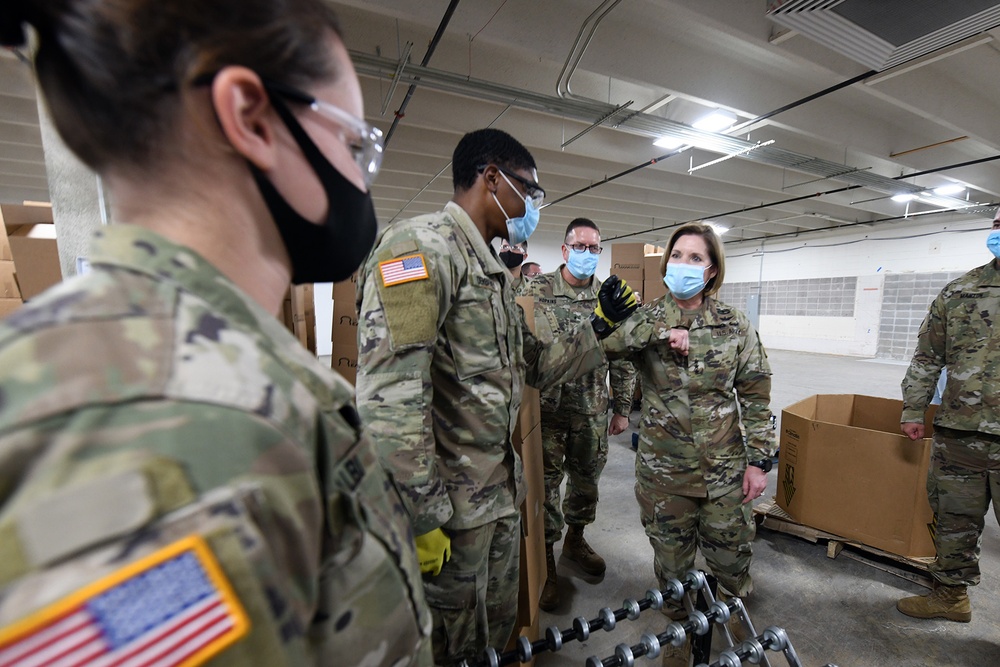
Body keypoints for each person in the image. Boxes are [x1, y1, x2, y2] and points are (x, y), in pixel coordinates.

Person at [0, 3, 433, 666]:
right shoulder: (197, 421)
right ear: (253, 117)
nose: (357, 178)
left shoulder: (124, 359)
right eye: (351, 144)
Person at [355, 128, 637, 666]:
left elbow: (537, 364)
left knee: (494, 637)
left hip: (496, 500)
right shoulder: (419, 249)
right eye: (529, 192)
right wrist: (418, 516)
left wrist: (598, 328)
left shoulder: (495, 275)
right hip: (448, 517)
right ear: (492, 179)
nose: (532, 207)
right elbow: (389, 395)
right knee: (447, 648)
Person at [602, 223, 775, 667]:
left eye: (695, 258)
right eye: (677, 255)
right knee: (671, 564)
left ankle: (734, 609)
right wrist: (660, 332)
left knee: (732, 554)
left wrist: (758, 462)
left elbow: (755, 394)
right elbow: (606, 347)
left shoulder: (735, 324)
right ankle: (678, 629)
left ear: (712, 270)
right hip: (664, 475)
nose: (683, 264)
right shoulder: (645, 318)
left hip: (724, 471)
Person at [517, 218, 636, 610]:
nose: (588, 254)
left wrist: (622, 407)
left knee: (586, 483)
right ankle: (546, 560)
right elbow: (523, 350)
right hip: (547, 412)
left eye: (594, 248)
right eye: (580, 246)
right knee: (545, 489)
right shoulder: (536, 289)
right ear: (565, 250)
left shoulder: (609, 295)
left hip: (591, 410)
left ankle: (575, 541)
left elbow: (623, 357)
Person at [896, 212, 1000, 623]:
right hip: (960, 435)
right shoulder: (961, 291)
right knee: (955, 523)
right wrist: (913, 408)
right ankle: (950, 598)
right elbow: (927, 357)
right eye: (997, 223)